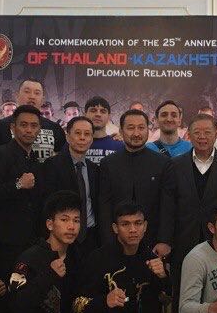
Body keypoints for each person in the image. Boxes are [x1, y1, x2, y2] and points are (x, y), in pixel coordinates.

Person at [0, 105, 43, 313]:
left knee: (23, 296)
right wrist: (18, 184)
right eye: (23, 125)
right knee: (3, 296)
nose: (29, 130)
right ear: (13, 127)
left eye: (33, 126)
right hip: (3, 241)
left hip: (28, 241)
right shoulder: (0, 153)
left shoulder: (34, 158)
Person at [172, 114, 217, 313]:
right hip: (183, 238)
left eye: (207, 132)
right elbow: (169, 205)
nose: (202, 137)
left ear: (216, 134)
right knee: (184, 293)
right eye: (197, 132)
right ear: (189, 135)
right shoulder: (175, 165)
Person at [98, 109, 176, 261]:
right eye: (130, 128)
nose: (136, 133)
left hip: (153, 243)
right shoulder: (108, 163)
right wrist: (108, 241)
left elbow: (168, 205)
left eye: (141, 128)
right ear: (121, 131)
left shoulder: (163, 163)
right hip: (116, 242)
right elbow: (104, 206)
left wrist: (165, 240)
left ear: (148, 130)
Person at [39, 116, 100, 258]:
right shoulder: (52, 165)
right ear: (67, 137)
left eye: (87, 134)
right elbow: (46, 204)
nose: (82, 138)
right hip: (62, 237)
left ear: (92, 139)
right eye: (77, 133)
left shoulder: (94, 169)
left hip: (91, 236)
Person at [0, 79, 66, 162]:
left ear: (43, 99)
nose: (32, 96)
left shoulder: (54, 128)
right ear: (17, 96)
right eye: (27, 92)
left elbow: (62, 160)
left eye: (37, 93)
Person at [84, 95, 122, 164]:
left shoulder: (120, 146)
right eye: (93, 110)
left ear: (109, 116)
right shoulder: (74, 145)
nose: (98, 114)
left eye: (103, 111)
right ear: (85, 114)